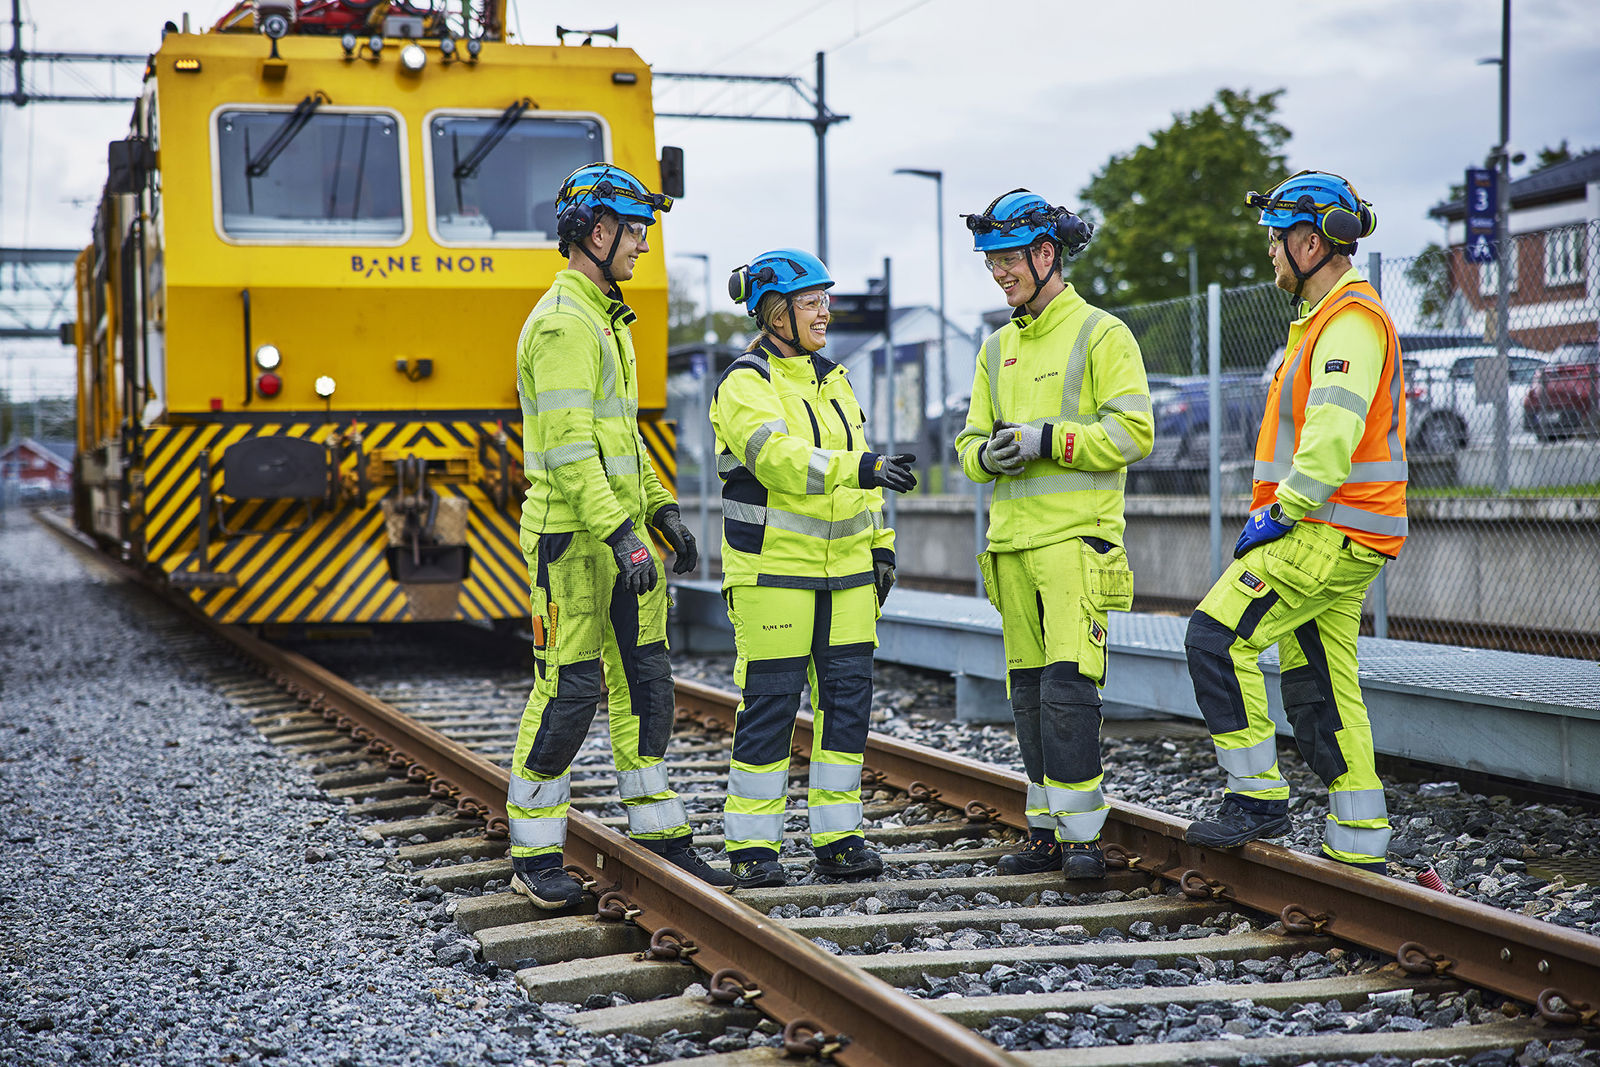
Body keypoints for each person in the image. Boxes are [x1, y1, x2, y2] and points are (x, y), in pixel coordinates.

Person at [505, 162, 733, 909]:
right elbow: (570, 451)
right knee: (570, 691)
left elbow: (620, 443)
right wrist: (619, 532)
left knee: (646, 684)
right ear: (597, 233)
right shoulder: (565, 323)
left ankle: (658, 829)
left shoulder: (605, 317)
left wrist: (660, 510)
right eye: (634, 231)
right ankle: (535, 853)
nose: (642, 245)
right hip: (575, 543)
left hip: (619, 536)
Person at [1183, 170, 1401, 875]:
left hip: (1322, 530)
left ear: (1311, 242)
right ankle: (1359, 840)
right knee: (1323, 685)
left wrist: (1283, 510)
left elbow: (1331, 437)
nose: (1270, 254)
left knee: (1216, 638)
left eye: (1276, 240)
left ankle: (1256, 796)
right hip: (1345, 532)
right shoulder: (1326, 321)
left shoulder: (1347, 324)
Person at [955, 190, 1153, 880]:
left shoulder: (1102, 334)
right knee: (1028, 692)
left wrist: (1048, 440)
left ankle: (1083, 842)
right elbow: (969, 442)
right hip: (1011, 545)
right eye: (990, 262)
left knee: (1069, 689)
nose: (999, 272)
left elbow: (1134, 433)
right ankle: (1044, 831)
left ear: (1047, 254)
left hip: (1075, 543)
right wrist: (987, 456)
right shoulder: (996, 347)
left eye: (1008, 258)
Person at [711, 248, 917, 889]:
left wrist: (881, 545)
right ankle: (751, 846)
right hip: (774, 575)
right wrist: (863, 469)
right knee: (771, 704)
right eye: (810, 302)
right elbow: (778, 461)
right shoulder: (745, 382)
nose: (825, 310)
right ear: (776, 313)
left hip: (850, 574)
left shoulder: (837, 379)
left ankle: (839, 837)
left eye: (825, 299)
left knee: (848, 707)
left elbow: (866, 478)